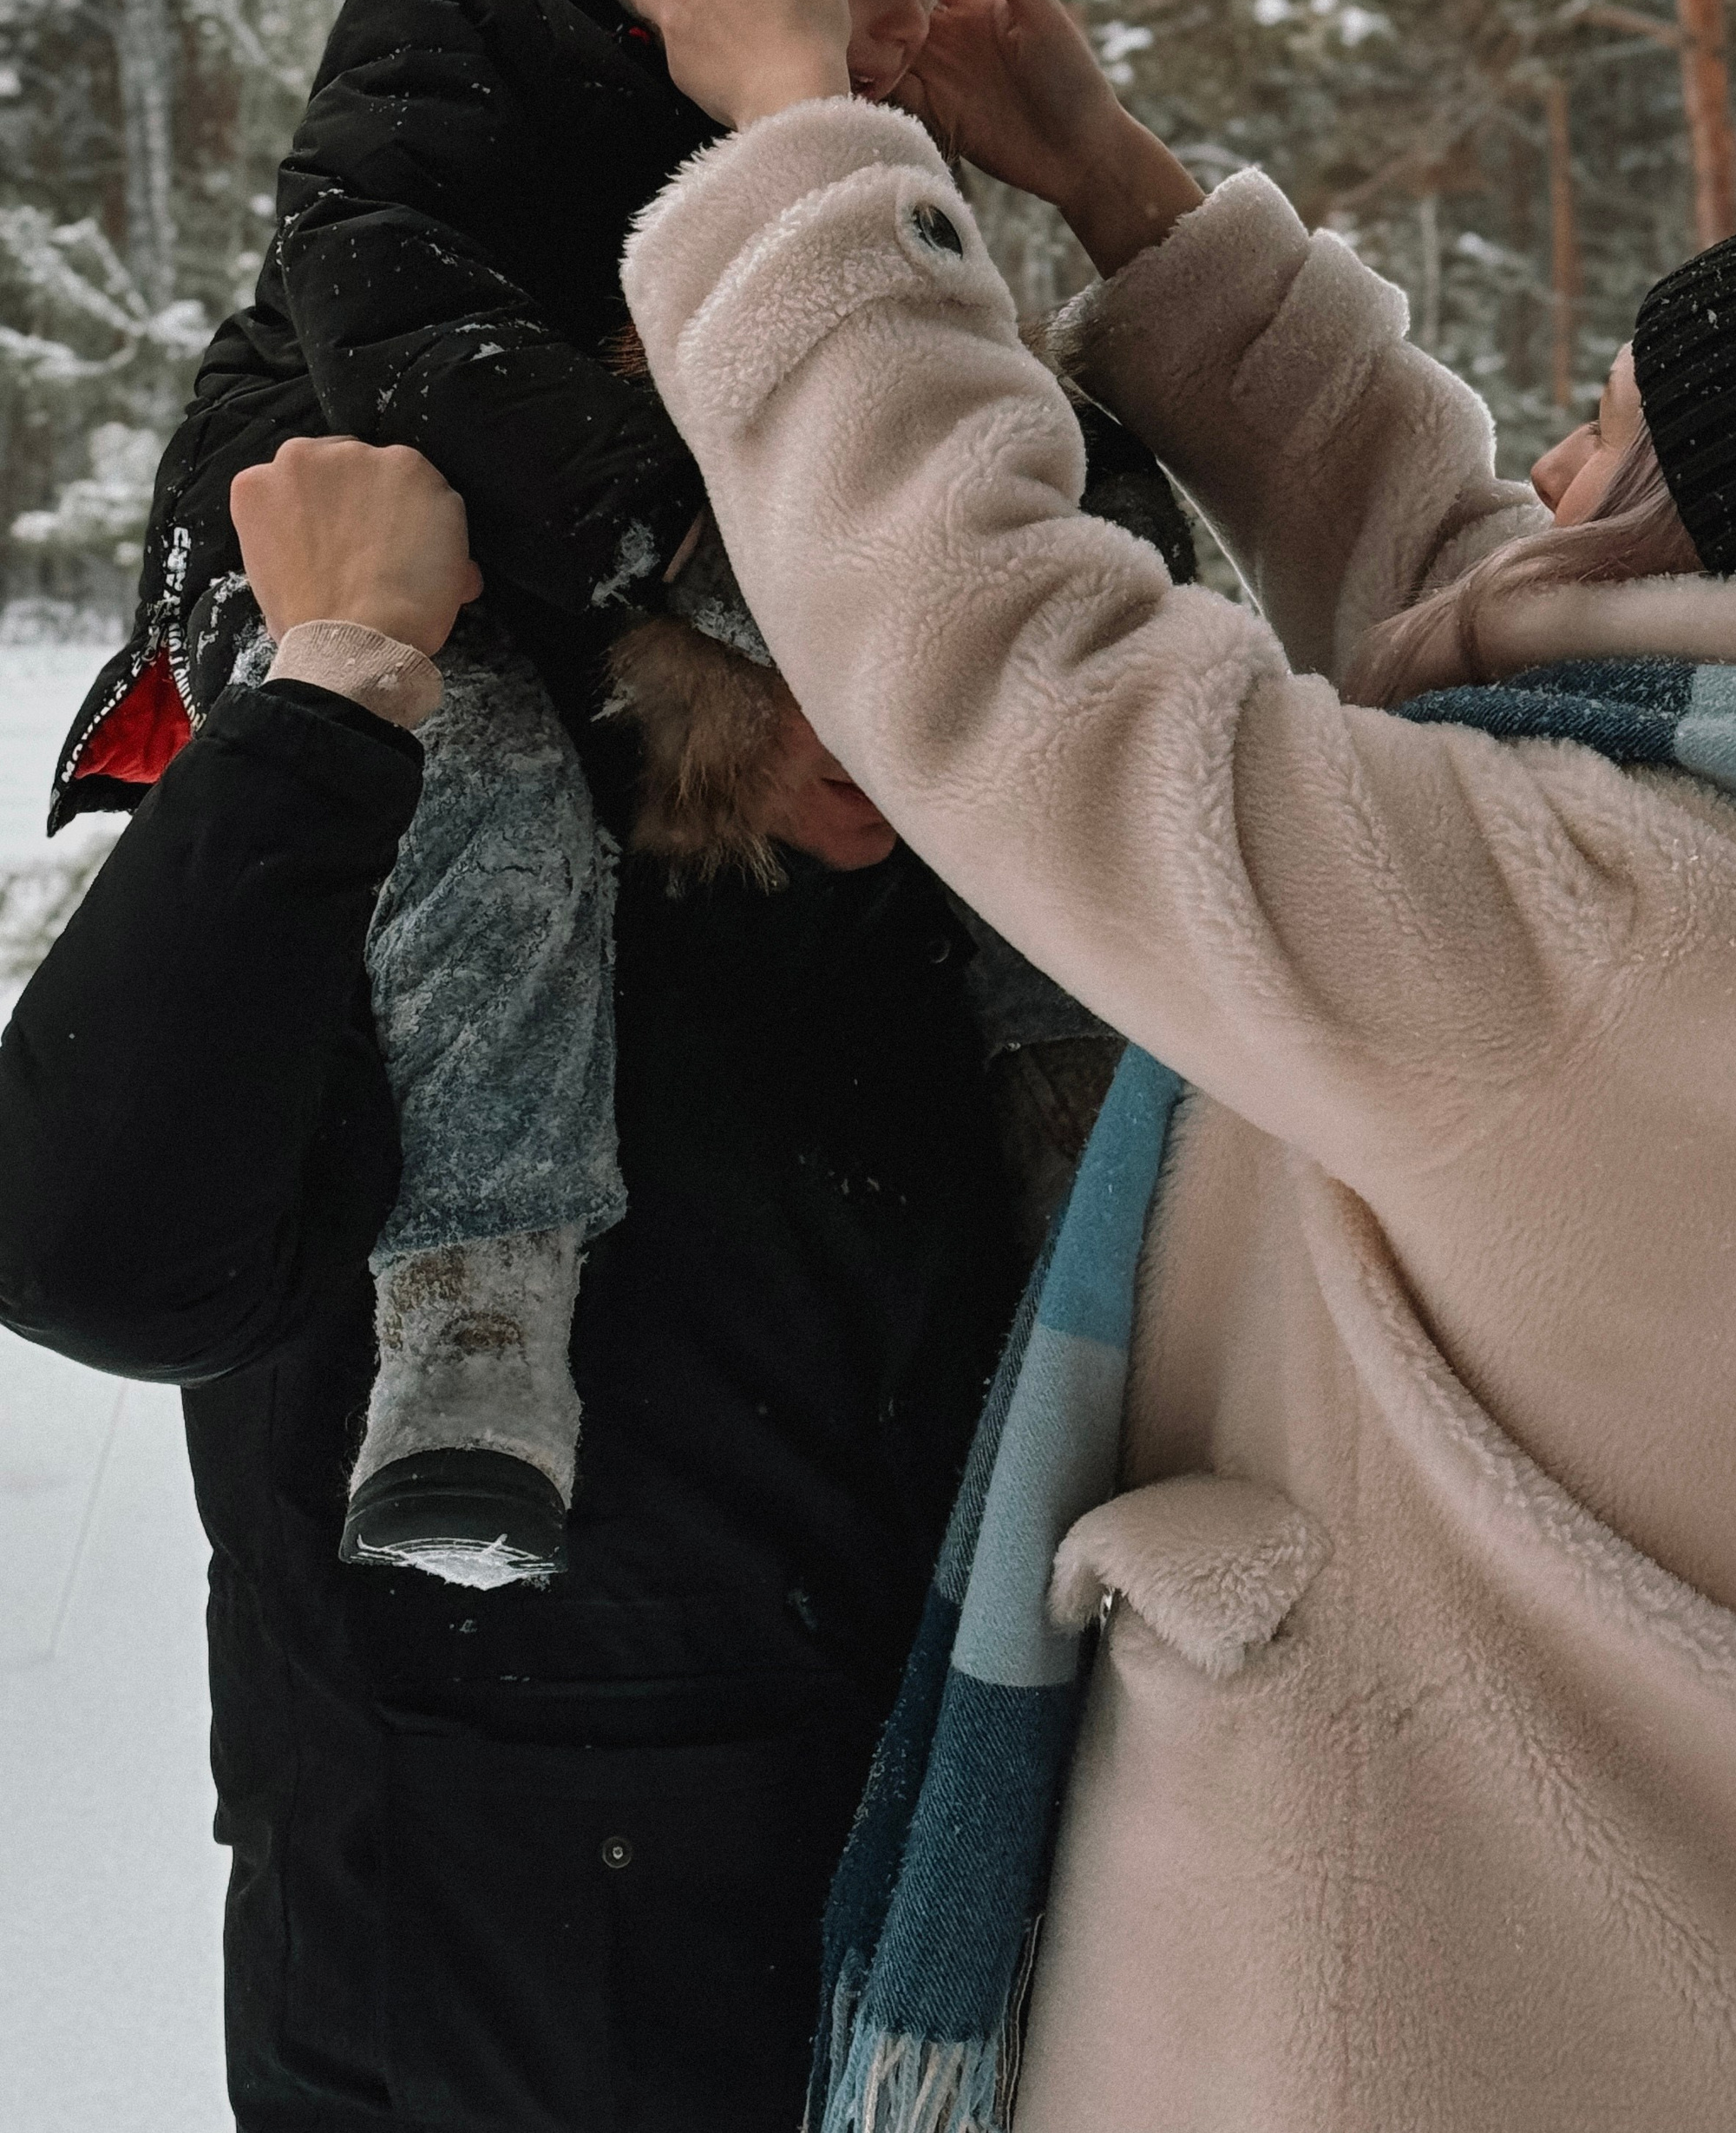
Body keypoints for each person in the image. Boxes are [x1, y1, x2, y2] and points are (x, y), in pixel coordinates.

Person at [599, 0, 1736, 2131]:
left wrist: (801, 148)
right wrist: (1111, 178)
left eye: (1604, 433)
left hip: (1411, 2036)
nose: (1538, 459)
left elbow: (1023, 675)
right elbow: (1479, 578)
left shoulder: (1593, 948)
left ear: (1706, 560)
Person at [43, 0, 1179, 1589]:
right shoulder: (457, 38)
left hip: (814, 1517)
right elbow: (402, 339)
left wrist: (1027, 196)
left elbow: (1026, 516)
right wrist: (721, 600)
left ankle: (1100, 1215)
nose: (907, 18)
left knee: (1044, 767)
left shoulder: (849, 145)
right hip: (352, 562)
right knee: (466, 772)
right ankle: (479, 1309)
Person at [0, 426, 1141, 2131]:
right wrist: (333, 697)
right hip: (473, 1994)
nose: (871, 710)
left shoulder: (993, 906)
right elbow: (102, 1251)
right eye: (789, 634)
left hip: (964, 1965)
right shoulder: (438, 813)